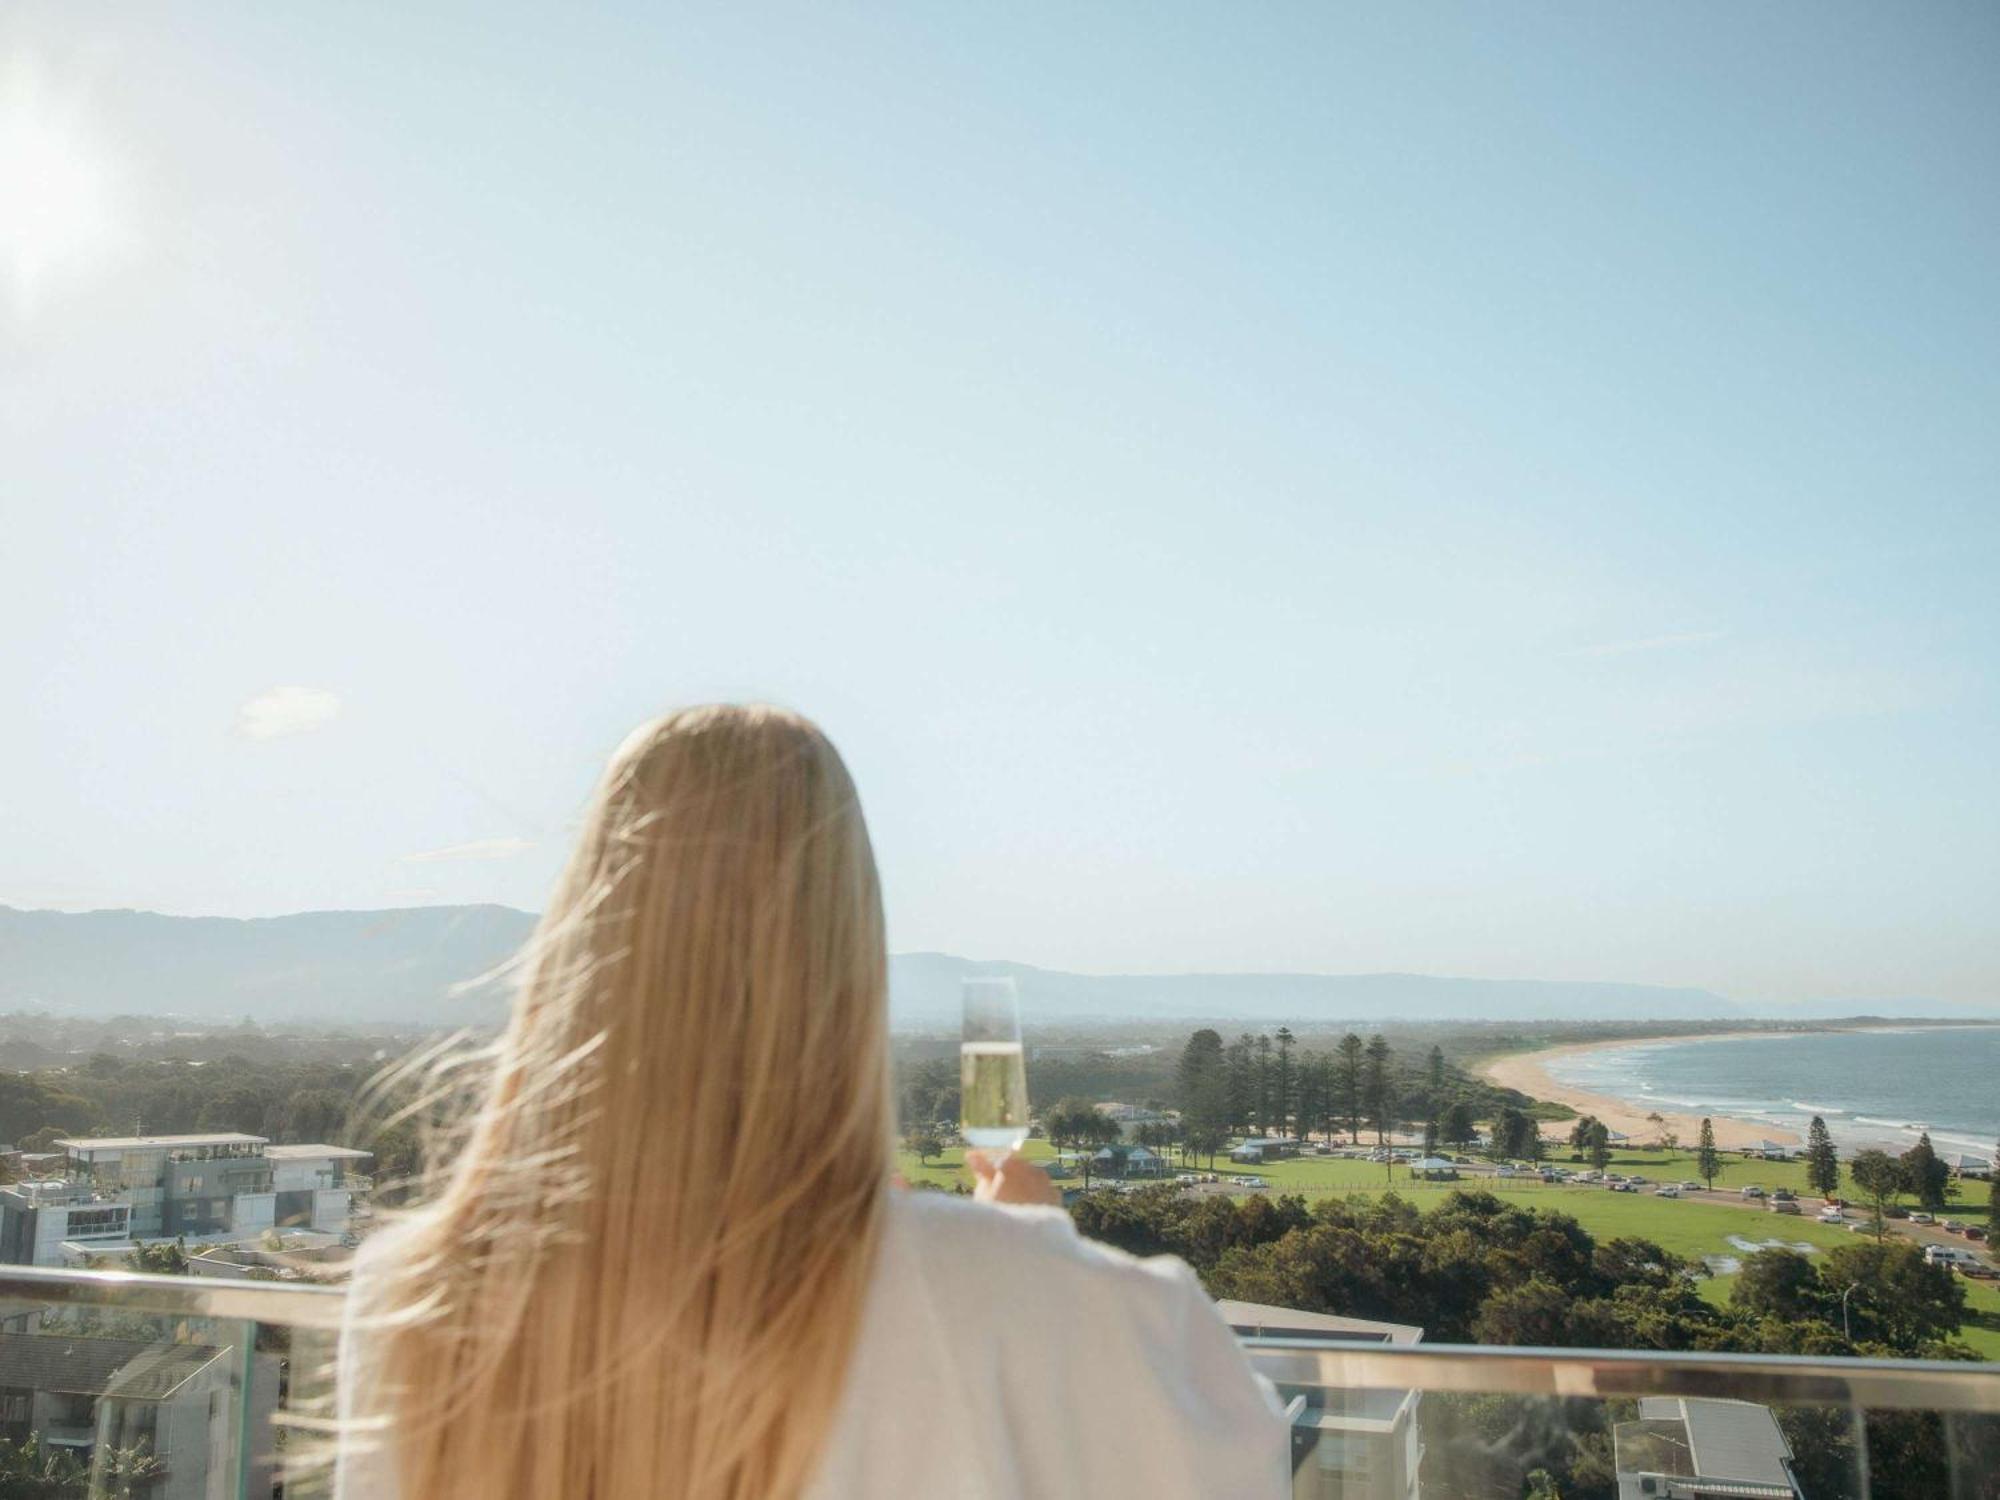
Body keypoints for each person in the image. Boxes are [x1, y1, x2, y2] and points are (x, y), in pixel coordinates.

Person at [337, 705, 1287, 1500]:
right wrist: (1042, 1248)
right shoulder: (1011, 1298)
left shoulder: (413, 1303)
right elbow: (1241, 1461)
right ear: (845, 961)